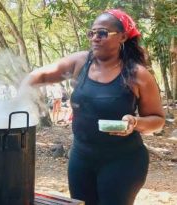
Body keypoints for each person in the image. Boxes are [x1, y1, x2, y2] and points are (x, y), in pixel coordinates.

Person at [23, 9, 165, 205]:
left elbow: (157, 121)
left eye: (103, 33)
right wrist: (22, 87)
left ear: (122, 37)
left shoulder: (138, 75)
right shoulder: (80, 62)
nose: (95, 38)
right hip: (81, 158)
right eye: (92, 33)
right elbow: (41, 75)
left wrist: (135, 122)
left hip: (123, 162)